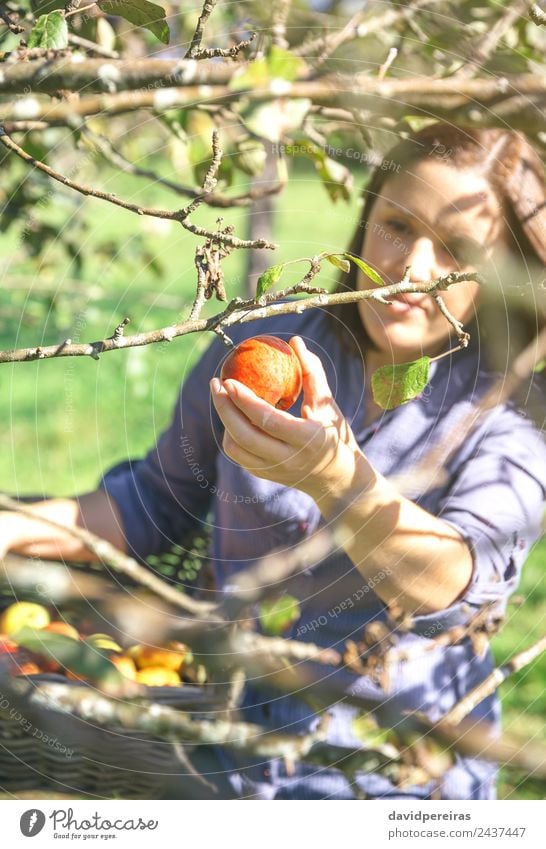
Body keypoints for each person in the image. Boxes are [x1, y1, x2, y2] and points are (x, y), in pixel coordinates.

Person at [1, 123, 545, 800]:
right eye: (397, 225)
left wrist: (337, 480)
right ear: (365, 218)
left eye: (457, 249)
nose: (413, 267)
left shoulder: (511, 417)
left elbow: (449, 578)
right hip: (230, 750)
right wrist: (14, 527)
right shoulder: (273, 340)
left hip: (391, 780)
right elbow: (155, 501)